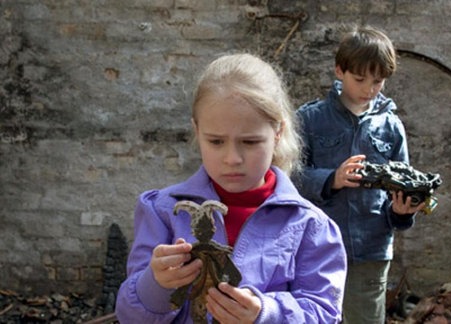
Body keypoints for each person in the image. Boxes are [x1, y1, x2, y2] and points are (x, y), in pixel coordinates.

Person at [115, 53, 347, 323]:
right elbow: (130, 315)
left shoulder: (311, 226)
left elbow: (324, 314)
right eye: (215, 142)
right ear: (196, 130)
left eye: (249, 142)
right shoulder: (162, 211)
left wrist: (267, 314)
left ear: (278, 133)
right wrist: (156, 284)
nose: (232, 158)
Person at [294, 25, 425, 323]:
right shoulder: (309, 119)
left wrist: (403, 211)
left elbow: (399, 193)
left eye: (378, 81)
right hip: (318, 249)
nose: (369, 89)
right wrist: (332, 179)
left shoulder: (391, 127)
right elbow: (289, 179)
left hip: (371, 252)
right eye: (360, 79)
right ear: (339, 71)